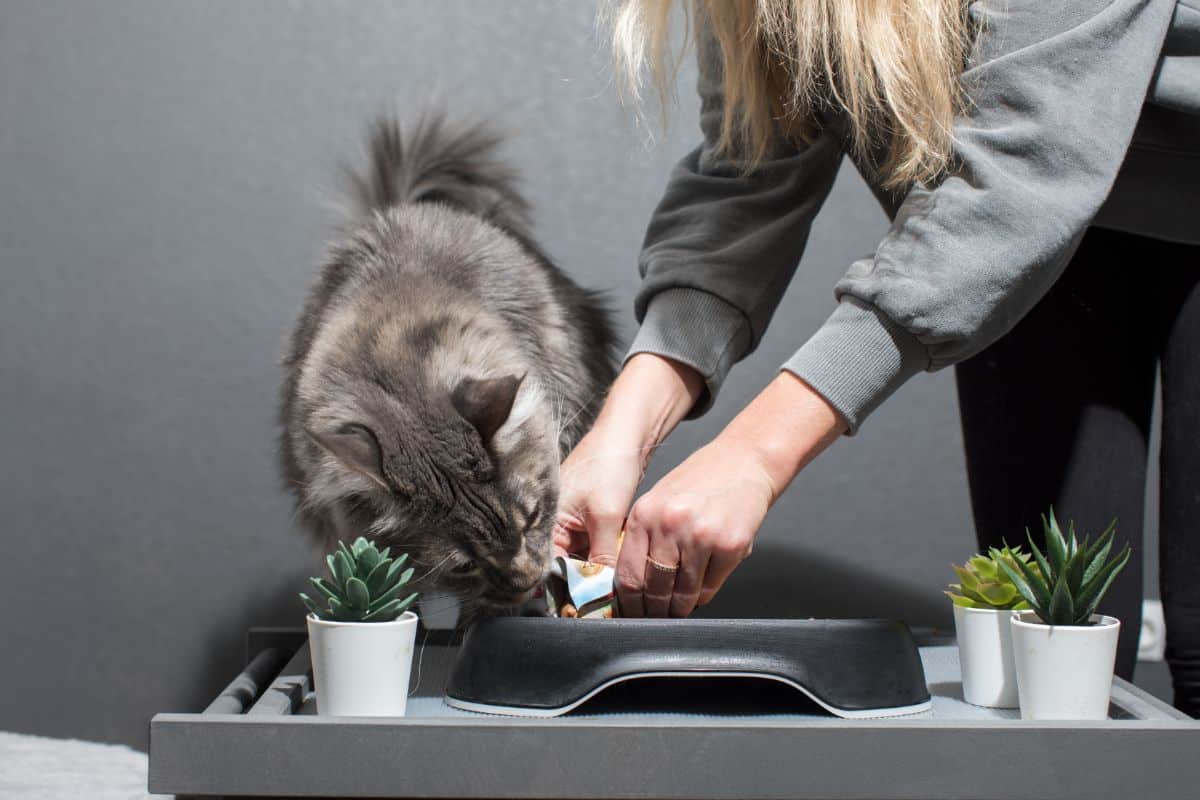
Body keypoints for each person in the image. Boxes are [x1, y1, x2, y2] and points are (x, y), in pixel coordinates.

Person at [553, 0, 1200, 717]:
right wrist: (620, 434)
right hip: (1016, 251)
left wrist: (754, 457)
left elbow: (1017, 176)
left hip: (1044, 198)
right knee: (1052, 667)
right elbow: (746, 171)